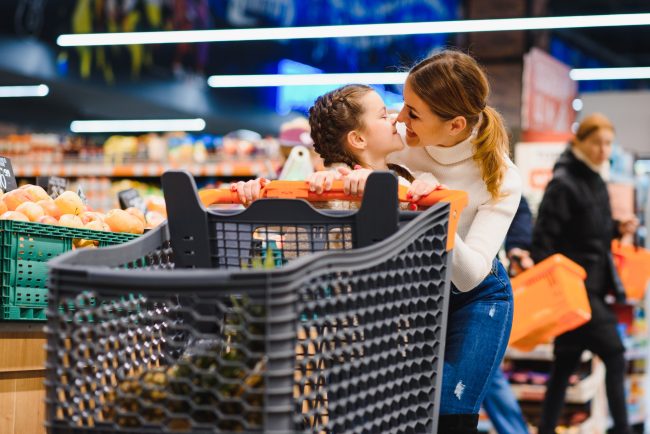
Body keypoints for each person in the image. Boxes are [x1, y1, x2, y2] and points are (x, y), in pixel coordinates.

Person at [305, 50, 522, 433]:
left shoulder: (501, 177)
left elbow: (470, 276)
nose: (400, 120)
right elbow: (355, 156)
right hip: (412, 291)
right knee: (404, 405)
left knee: (448, 408)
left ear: (455, 125)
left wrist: (429, 210)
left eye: (413, 112)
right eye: (401, 105)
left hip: (474, 295)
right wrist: (333, 176)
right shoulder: (400, 138)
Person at [531, 113, 638, 434]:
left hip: (589, 290)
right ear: (580, 141)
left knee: (563, 368)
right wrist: (563, 287)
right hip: (577, 294)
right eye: (597, 142)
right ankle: (621, 429)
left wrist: (618, 230)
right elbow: (542, 243)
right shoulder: (564, 183)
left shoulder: (595, 179)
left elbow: (594, 234)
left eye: (608, 143)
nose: (603, 150)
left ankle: (547, 429)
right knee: (616, 355)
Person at [482, 197, 534, 434]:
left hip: (480, 286)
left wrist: (518, 247)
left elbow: (516, 204)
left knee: (486, 366)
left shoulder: (496, 170)